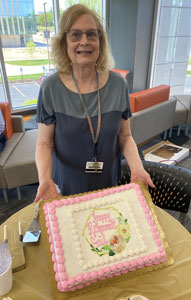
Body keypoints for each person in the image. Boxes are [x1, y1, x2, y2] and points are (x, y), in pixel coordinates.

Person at [34, 4, 154, 202]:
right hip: (65, 186)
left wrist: (138, 168)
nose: (84, 42)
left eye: (92, 34)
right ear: (64, 42)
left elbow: (125, 136)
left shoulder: (118, 85)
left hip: (108, 184)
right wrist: (44, 179)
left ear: (100, 41)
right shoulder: (50, 88)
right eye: (75, 35)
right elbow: (45, 142)